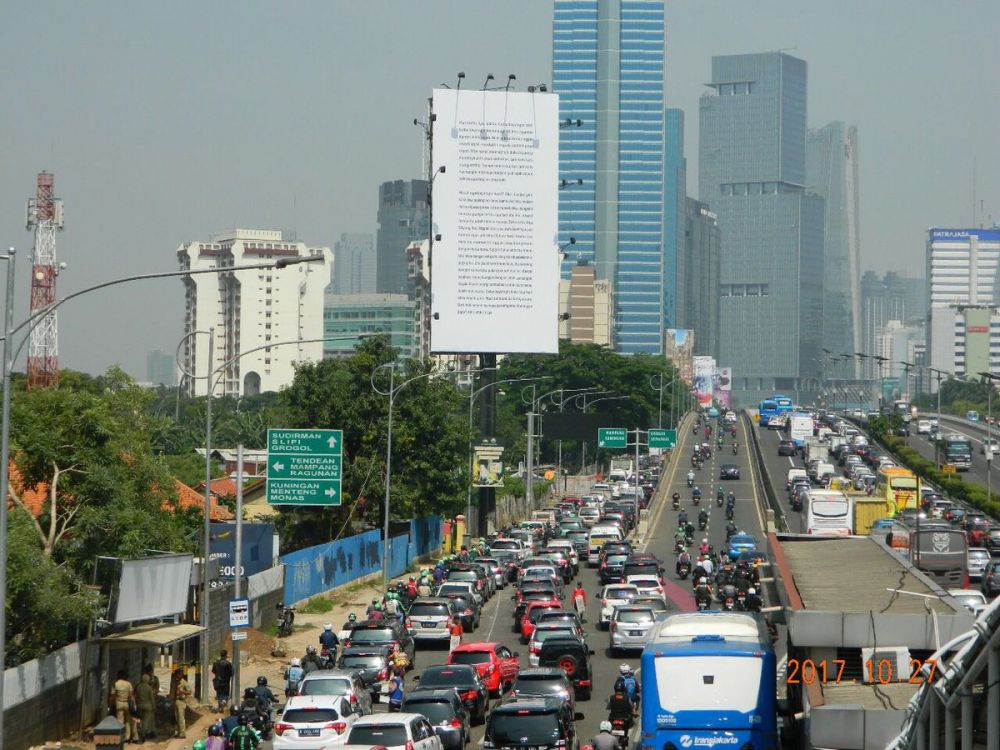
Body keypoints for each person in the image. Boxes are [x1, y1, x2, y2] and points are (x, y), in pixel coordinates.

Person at [110, 669, 137, 743]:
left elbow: (113, 695)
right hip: (126, 703)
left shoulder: (115, 684)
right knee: (128, 720)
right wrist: (134, 704)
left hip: (118, 703)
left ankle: (120, 736)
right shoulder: (128, 684)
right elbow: (131, 696)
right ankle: (127, 737)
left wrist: (110, 703)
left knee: (120, 720)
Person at [135, 672, 156, 741]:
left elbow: (136, 697)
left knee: (140, 720)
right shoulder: (149, 688)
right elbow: (152, 698)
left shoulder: (138, 687)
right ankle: (144, 734)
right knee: (146, 720)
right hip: (147, 706)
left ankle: (140, 732)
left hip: (139, 705)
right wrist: (154, 707)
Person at [172, 667, 192, 739]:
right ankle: (178, 732)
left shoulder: (184, 683)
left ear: (180, 674)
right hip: (177, 701)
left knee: (181, 718)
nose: (176, 676)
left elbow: (190, 692)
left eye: (177, 674)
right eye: (176, 675)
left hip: (181, 702)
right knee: (177, 717)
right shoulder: (177, 682)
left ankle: (182, 734)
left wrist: (182, 691)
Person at [212, 649, 233, 713]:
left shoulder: (216, 663)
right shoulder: (228, 663)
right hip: (226, 682)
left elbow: (213, 671)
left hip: (218, 681)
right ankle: (223, 703)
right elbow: (231, 673)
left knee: (219, 694)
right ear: (226, 655)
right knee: (226, 695)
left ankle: (220, 704)